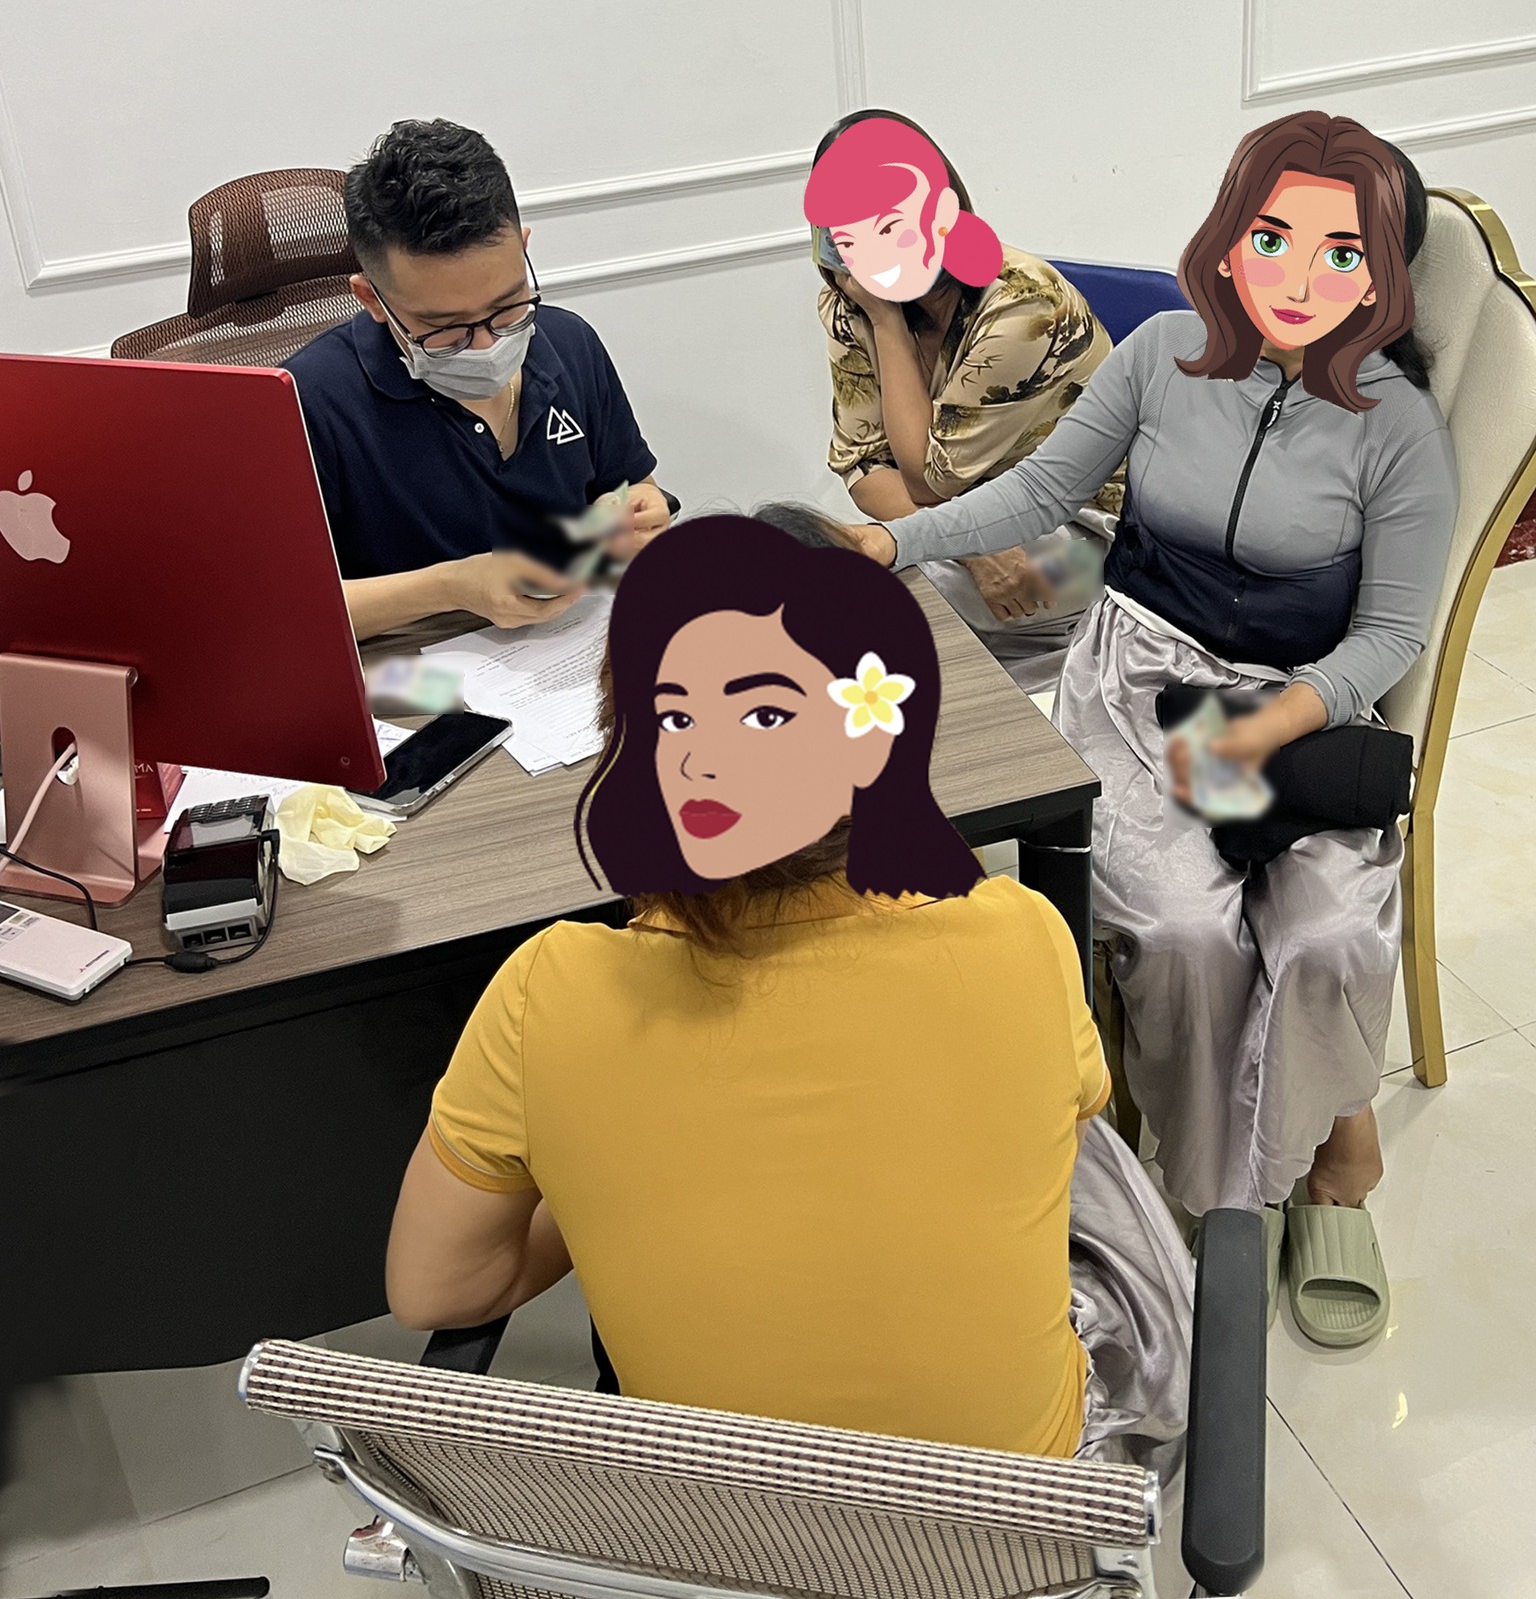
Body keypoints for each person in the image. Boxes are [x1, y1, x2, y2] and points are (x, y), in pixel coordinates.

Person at [386, 516, 1192, 1475]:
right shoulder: (1019, 937)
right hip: (1010, 1529)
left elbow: (435, 1291)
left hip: (722, 1535)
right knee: (1086, 1152)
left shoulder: (546, 993)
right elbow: (1065, 1125)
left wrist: (594, 1164)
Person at [847, 113, 1457, 1347]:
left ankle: (1329, 1164)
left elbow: (1393, 632)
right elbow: (1037, 492)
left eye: (1343, 252)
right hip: (1141, 679)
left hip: (1298, 701)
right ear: (1229, 236)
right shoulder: (1163, 354)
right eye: (1272, 235)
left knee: (1331, 930)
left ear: (1383, 278)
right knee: (1181, 931)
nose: (1296, 275)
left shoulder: (1398, 426)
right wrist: (889, 539)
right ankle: (1225, 1191)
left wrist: (1282, 715)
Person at [286, 118, 672, 640]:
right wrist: (451, 586)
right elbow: (282, 613)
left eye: (507, 307)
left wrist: (634, 517)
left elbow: (630, 488)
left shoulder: (570, 342)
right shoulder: (307, 402)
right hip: (409, 667)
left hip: (569, 641)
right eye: (445, 328)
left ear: (524, 252)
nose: (488, 346)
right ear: (372, 299)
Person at [807, 110, 1119, 693]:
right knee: (825, 580)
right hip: (973, 527)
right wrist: (973, 550)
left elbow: (929, 480)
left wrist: (885, 321)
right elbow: (862, 465)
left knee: (877, 610)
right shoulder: (851, 301)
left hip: (1088, 533)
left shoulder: (1022, 304)